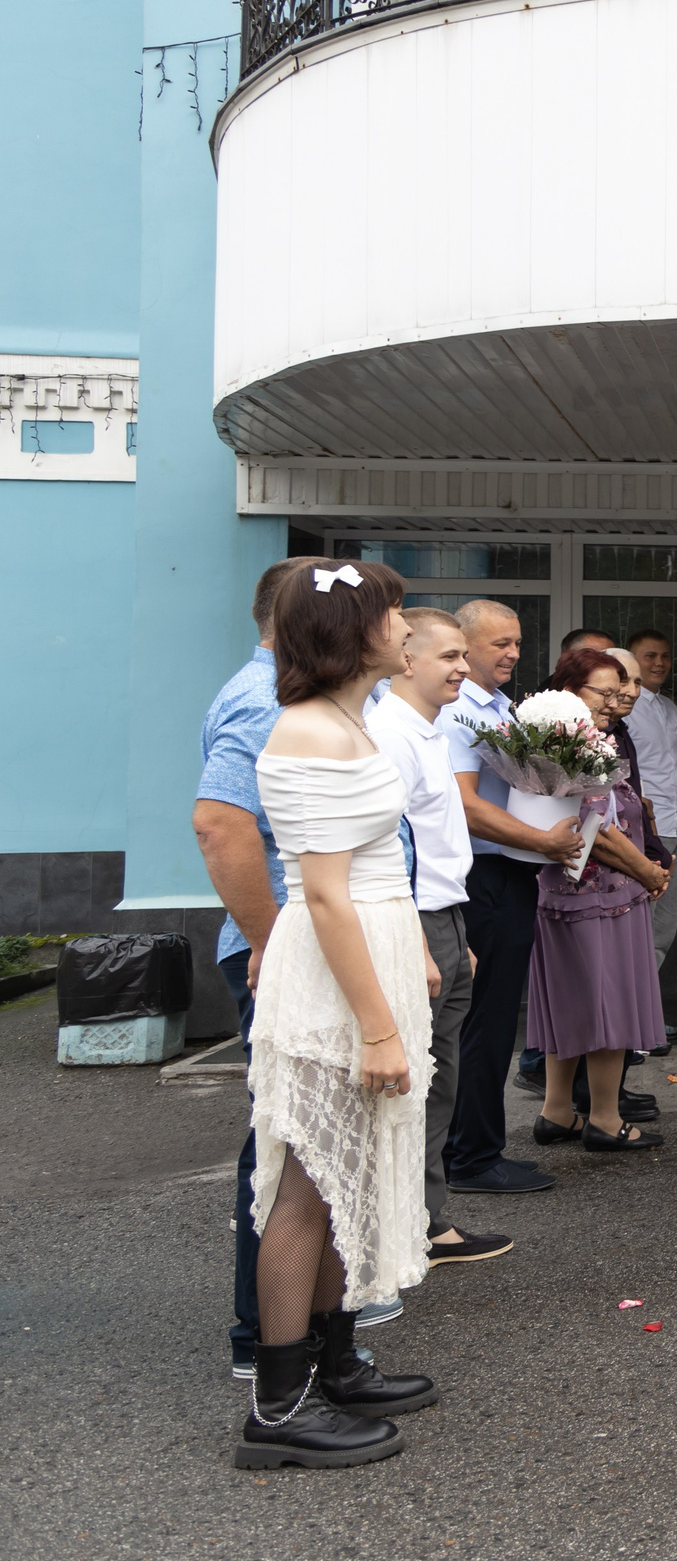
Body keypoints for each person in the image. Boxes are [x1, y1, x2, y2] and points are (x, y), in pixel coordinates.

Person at [237, 559, 438, 1469]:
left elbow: (375, 859)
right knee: (308, 1181)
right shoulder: (311, 731)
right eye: (393, 614)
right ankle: (279, 1407)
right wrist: (377, 1025)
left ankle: (332, 1362)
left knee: (345, 1176)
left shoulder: (348, 719)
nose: (406, 628)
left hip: (369, 956)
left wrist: (414, 952)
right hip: (332, 978)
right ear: (352, 632)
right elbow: (322, 894)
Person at [196, 556, 330, 1376]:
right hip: (286, 951)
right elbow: (221, 825)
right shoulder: (262, 699)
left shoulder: (300, 696)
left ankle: (313, 1335)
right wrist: (272, 942)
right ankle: (267, 1342)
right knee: (288, 1152)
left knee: (316, 1150)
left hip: (314, 947)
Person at [366, 608, 512, 1268]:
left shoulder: (427, 729)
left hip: (444, 915)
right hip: (416, 921)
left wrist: (455, 932)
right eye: (449, 656)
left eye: (462, 655)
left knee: (437, 1078)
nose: (463, 667)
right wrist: (421, 943)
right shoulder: (390, 734)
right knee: (416, 1081)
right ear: (407, 660)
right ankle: (407, 1226)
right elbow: (387, 851)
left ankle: (424, 1219)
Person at [438, 600, 579, 1197]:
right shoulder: (457, 711)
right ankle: (470, 1155)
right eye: (500, 643)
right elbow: (464, 804)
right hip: (483, 875)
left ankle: (476, 1146)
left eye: (517, 643)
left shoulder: (497, 705)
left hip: (509, 871)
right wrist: (542, 840)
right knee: (483, 1021)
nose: (513, 654)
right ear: (464, 644)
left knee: (496, 1020)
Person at [526, 649, 673, 1153]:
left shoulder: (564, 741)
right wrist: (647, 871)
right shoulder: (571, 746)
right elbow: (597, 830)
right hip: (601, 895)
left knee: (571, 1001)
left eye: (620, 691)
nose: (615, 701)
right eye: (604, 692)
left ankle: (557, 1111)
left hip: (563, 895)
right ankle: (606, 1119)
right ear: (569, 691)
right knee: (608, 1004)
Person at [623, 629, 677, 972]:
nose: (659, 663)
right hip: (644, 830)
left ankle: (647, 1002)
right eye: (650, 656)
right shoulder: (624, 709)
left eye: (664, 656)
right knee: (640, 923)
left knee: (663, 929)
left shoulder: (670, 709)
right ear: (632, 661)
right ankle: (631, 1002)